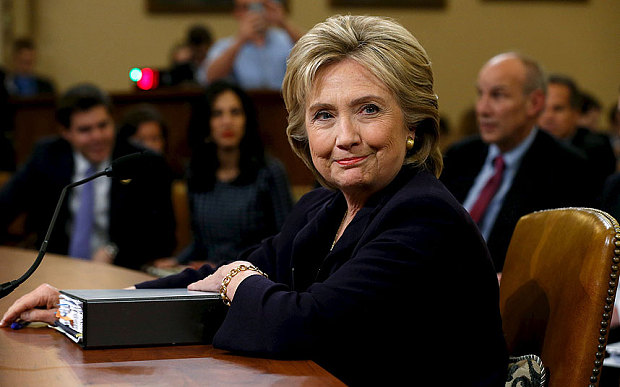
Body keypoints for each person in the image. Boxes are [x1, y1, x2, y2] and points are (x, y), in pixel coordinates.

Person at [0, 16, 507, 385]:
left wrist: (238, 281)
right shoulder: (324, 207)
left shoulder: (425, 218)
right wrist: (77, 306)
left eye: (368, 109)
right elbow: (221, 276)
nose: (344, 136)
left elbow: (301, 325)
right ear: (304, 132)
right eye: (324, 115)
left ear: (414, 126)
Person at [441, 53, 595, 272]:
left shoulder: (568, 169)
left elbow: (561, 264)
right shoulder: (461, 155)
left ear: (534, 103)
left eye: (498, 95)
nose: (482, 109)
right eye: (480, 94)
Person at [0, 84, 176, 269]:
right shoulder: (47, 156)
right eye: (85, 130)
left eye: (103, 125)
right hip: (56, 271)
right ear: (66, 132)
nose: (97, 136)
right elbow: (5, 207)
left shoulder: (143, 162)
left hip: (121, 272)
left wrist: (113, 249)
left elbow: (162, 237)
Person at [155, 80, 292, 269]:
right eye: (217, 114)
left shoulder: (269, 171)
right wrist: (175, 262)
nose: (227, 122)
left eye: (235, 112)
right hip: (208, 277)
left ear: (246, 120)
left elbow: (284, 243)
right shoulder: (196, 171)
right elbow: (200, 243)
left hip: (254, 277)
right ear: (206, 123)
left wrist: (222, 266)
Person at [538, 74, 616, 195]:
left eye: (558, 109)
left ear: (576, 113)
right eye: (543, 109)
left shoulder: (596, 149)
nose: (548, 117)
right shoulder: (526, 145)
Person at [200, 0, 303, 90]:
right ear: (237, 13)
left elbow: (314, 51)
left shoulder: (286, 39)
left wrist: (283, 23)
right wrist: (241, 40)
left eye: (260, 6)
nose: (254, 13)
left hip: (283, 106)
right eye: (247, 8)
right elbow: (209, 78)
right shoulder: (226, 46)